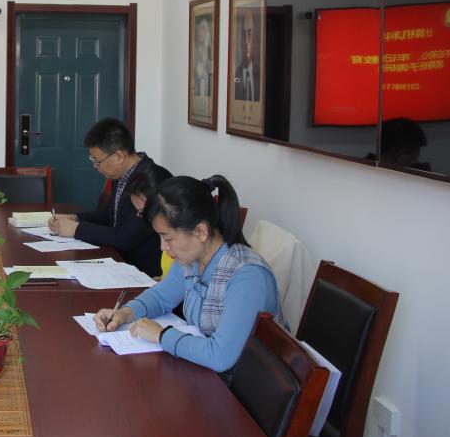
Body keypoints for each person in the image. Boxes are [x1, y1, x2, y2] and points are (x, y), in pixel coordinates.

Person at [93, 174, 283, 376]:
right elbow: (161, 297)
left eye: (168, 238)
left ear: (200, 232)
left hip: (239, 385)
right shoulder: (192, 257)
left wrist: (161, 335)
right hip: (203, 372)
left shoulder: (247, 276)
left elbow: (220, 356)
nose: (163, 247)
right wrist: (125, 313)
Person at [48, 118, 170, 276]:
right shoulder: (122, 173)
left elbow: (126, 237)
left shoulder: (151, 181)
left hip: (142, 271)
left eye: (97, 161)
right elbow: (108, 214)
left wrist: (76, 229)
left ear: (119, 156)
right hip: (118, 260)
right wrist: (74, 218)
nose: (96, 167)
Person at [234, 9, 261, 102]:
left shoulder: (262, 74)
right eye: (243, 34)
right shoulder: (234, 75)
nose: (246, 41)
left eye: (249, 33)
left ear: (255, 38)